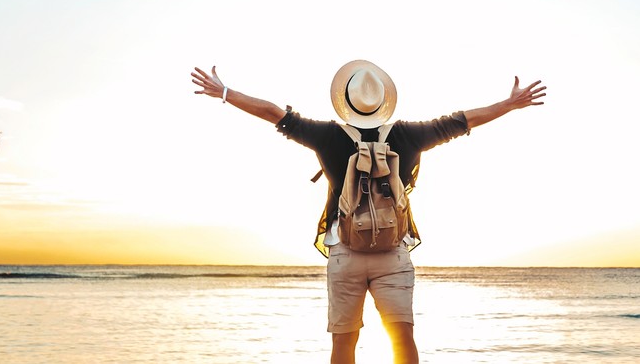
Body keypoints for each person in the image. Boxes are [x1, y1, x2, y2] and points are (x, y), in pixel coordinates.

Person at [190, 60, 546, 364]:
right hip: (394, 253)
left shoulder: (327, 136)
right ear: (383, 101)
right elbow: (461, 121)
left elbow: (274, 114)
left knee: (344, 342)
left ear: (346, 100)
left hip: (344, 251)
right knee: (402, 339)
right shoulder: (409, 134)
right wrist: (509, 104)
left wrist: (225, 92)